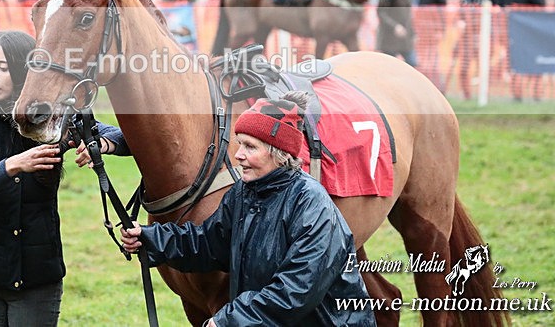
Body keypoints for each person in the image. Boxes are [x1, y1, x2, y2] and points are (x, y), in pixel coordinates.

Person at [120, 92, 374, 327]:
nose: (238, 155)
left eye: (250, 147)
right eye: (239, 144)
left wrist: (229, 321)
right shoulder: (243, 193)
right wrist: (150, 239)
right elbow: (210, 243)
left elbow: (296, 290)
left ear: (279, 154)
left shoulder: (311, 204)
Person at [0, 30, 128, 326]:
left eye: (2, 68)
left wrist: (103, 144)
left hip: (39, 281)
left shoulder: (55, 118)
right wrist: (13, 164)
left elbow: (129, 139)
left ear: (23, 71)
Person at [500, 0, 545, 101]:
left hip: (530, 32)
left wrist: (519, 9)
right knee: (513, 63)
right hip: (513, 32)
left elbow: (539, 5)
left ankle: (537, 95)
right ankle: (517, 96)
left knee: (534, 63)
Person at [410, 0, 446, 91]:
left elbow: (442, 10)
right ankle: (419, 89)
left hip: (430, 30)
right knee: (418, 61)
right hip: (414, 30)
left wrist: (440, 30)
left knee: (432, 62)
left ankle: (437, 90)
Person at [376, 0, 417, 67]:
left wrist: (413, 33)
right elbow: (381, 13)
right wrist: (395, 26)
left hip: (405, 37)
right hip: (389, 38)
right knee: (390, 67)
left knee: (412, 63)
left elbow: (408, 16)